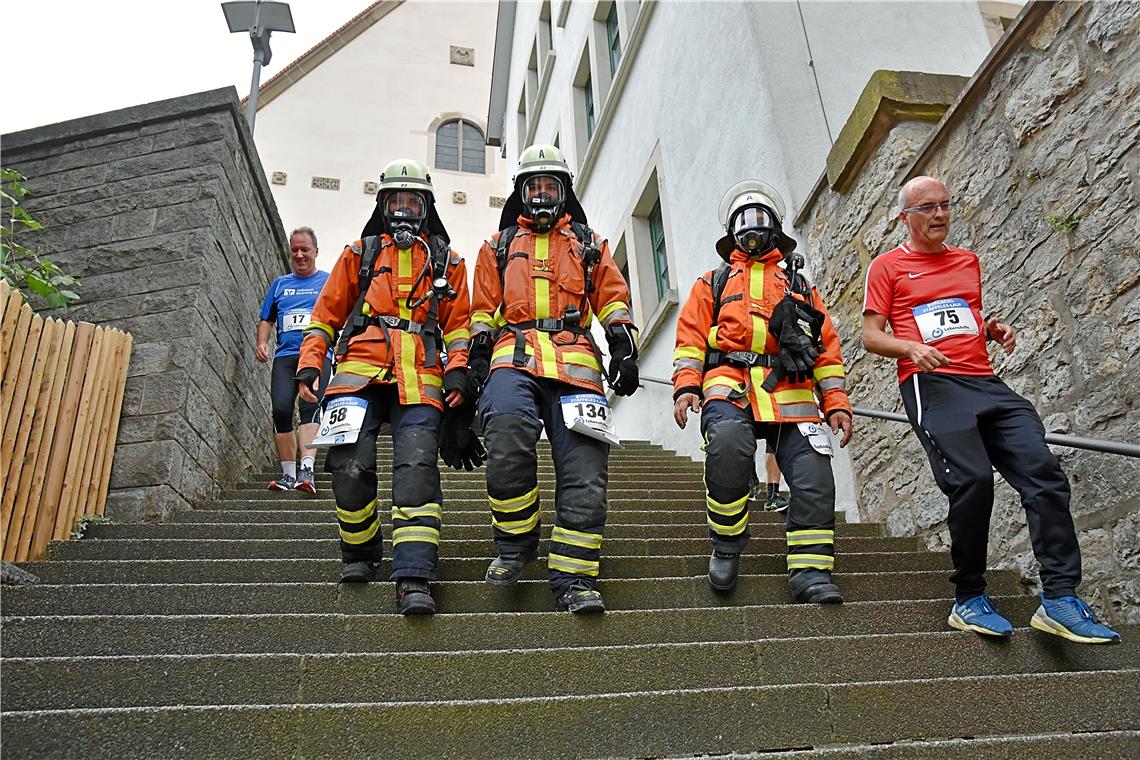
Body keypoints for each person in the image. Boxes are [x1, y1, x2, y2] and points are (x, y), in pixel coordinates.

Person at [862, 175, 1119, 644]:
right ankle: (969, 598)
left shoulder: (967, 262)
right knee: (973, 480)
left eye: (945, 204)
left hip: (986, 383)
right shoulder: (887, 267)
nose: (939, 214)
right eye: (927, 208)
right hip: (932, 384)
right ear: (906, 217)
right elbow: (870, 335)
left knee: (1043, 471)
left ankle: (1060, 599)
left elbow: (962, 315)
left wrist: (990, 328)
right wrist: (909, 348)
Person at [295, 159, 476, 616]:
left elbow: (459, 328)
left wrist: (459, 370)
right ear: (381, 205)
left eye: (411, 201)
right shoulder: (359, 253)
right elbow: (325, 316)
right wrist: (310, 364)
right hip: (358, 372)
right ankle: (360, 551)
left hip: (421, 380)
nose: (402, 210)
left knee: (416, 471)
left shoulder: (448, 262)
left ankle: (415, 576)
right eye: (394, 200)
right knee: (347, 469)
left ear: (426, 208)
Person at [467, 144, 639, 614]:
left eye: (550, 187)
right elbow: (481, 310)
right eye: (533, 187)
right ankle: (516, 543)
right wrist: (477, 354)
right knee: (504, 432)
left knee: (585, 471)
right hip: (514, 355)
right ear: (521, 193)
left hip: (577, 361)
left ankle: (574, 577)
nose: (542, 196)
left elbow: (612, 298)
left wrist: (623, 343)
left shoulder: (589, 243)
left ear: (564, 193)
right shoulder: (496, 247)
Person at [673, 180, 853, 603]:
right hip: (730, 385)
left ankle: (811, 571)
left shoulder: (801, 287)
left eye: (760, 219)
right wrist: (686, 387)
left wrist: (836, 402)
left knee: (814, 475)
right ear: (731, 230)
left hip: (790, 392)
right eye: (744, 221)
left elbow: (827, 350)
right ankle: (727, 542)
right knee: (728, 448)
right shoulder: (711, 283)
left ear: (775, 228)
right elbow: (690, 340)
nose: (753, 228)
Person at [256, 227, 331, 494]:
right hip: (285, 357)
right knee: (281, 411)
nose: (299, 255)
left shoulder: (328, 281)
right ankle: (288, 475)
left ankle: (307, 471)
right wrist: (262, 342)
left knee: (310, 406)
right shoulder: (280, 284)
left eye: (305, 250)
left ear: (316, 252)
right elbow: (267, 318)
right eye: (295, 250)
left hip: (316, 355)